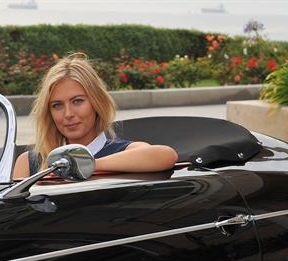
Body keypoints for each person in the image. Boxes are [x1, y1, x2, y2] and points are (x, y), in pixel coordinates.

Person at [13, 53, 178, 179]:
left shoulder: (124, 151)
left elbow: (166, 155)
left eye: (77, 101)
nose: (68, 114)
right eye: (57, 105)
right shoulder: (29, 161)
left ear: (96, 102)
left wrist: (86, 164)